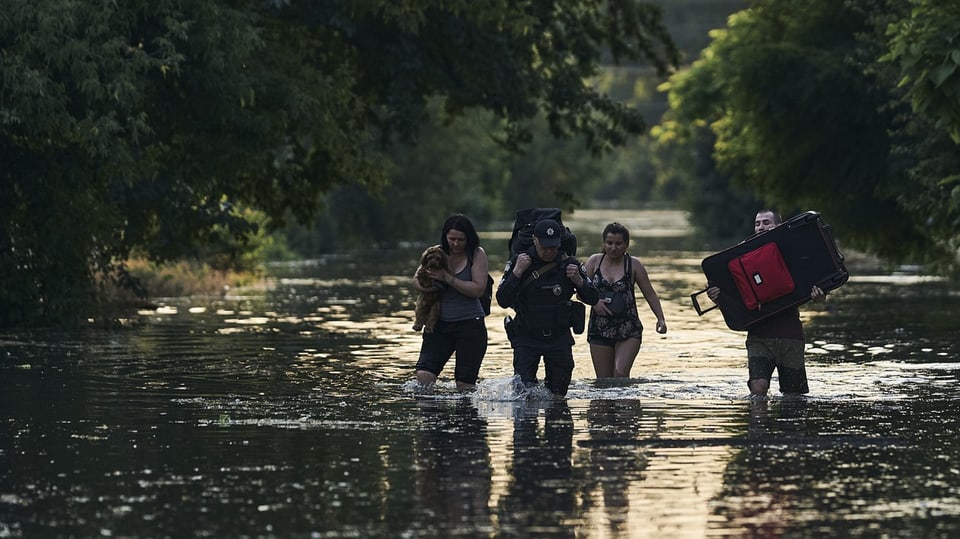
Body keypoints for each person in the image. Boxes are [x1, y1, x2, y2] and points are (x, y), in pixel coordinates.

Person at [706, 209, 826, 396]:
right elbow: (735, 302)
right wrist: (718, 297)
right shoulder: (742, 255)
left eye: (766, 222)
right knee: (758, 389)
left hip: (790, 336)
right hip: (759, 337)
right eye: (757, 223)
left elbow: (814, 287)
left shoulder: (794, 251)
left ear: (778, 226)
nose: (761, 227)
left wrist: (819, 296)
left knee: (794, 396)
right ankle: (759, 424)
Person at [496, 218, 599, 397]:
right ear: (534, 240)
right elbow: (502, 300)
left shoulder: (570, 264)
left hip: (559, 339)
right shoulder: (520, 262)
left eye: (553, 247)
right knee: (523, 396)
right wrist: (517, 273)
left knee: (558, 397)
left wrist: (579, 281)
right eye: (545, 246)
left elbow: (593, 298)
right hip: (526, 338)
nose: (549, 251)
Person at [413, 214, 489, 391]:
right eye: (452, 239)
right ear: (445, 237)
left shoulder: (477, 254)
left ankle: (466, 417)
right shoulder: (436, 253)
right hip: (438, 325)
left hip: (470, 325)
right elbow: (416, 280)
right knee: (423, 377)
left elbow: (478, 289)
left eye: (460, 240)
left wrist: (446, 278)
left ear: (468, 238)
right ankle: (432, 418)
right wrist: (430, 288)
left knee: (464, 385)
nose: (455, 244)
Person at [583, 222, 667, 378]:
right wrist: (594, 303)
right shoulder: (594, 262)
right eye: (609, 243)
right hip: (599, 328)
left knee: (620, 373)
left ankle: (626, 402)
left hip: (628, 328)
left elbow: (650, 294)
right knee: (604, 382)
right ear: (603, 243)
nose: (613, 248)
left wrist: (660, 318)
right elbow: (580, 292)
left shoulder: (634, 265)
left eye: (618, 243)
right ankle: (607, 404)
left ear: (626, 245)